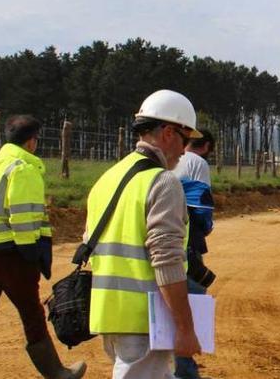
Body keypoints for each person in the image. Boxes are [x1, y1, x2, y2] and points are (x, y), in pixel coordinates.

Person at [0, 115, 86, 379]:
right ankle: (57, 373)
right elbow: (24, 218)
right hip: (11, 255)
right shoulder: (22, 170)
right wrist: (31, 254)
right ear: (31, 142)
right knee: (32, 314)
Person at [85, 89, 202, 378]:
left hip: (110, 314)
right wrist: (185, 329)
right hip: (143, 319)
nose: (186, 150)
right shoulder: (162, 182)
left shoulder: (108, 178)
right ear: (168, 133)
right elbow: (166, 260)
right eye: (185, 140)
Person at [173, 130, 216, 379]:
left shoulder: (161, 164)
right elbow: (202, 210)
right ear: (207, 145)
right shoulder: (198, 163)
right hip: (186, 245)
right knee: (189, 305)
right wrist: (206, 228)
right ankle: (185, 371)